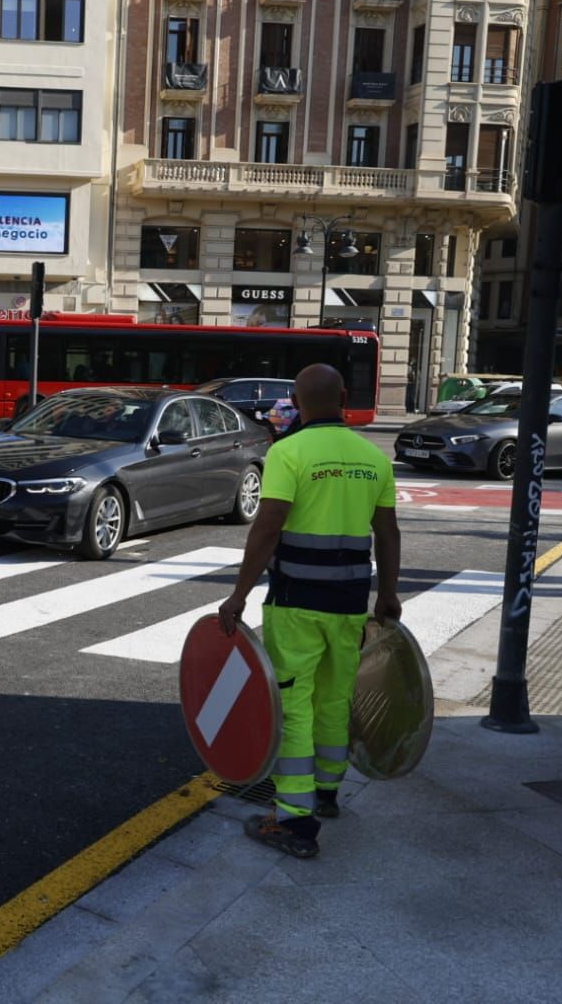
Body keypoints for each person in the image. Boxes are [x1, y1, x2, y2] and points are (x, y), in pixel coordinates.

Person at [217, 363, 402, 860]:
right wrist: (388, 594)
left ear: (296, 402)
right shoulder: (372, 456)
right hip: (349, 602)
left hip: (297, 602)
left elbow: (268, 526)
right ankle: (326, 794)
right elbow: (387, 532)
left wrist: (238, 595)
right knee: (335, 698)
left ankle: (295, 822)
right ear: (344, 395)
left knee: (292, 705)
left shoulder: (289, 452)